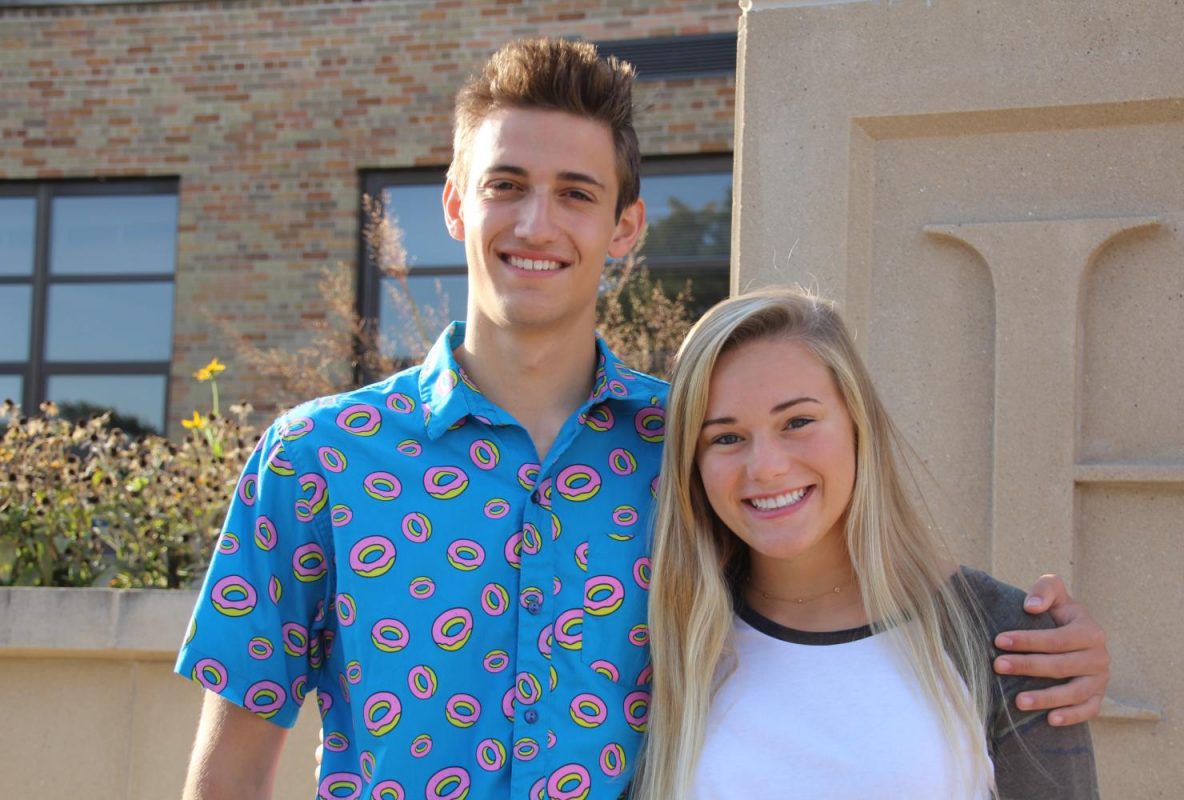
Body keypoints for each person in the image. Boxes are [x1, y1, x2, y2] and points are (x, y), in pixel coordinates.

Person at [177, 38, 1108, 800]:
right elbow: (231, 772)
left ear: (625, 229)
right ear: (457, 205)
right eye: (506, 184)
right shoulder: (316, 459)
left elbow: (844, 579)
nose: (537, 222)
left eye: (577, 193)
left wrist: (1023, 641)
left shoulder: (696, 449)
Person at [632, 288, 1099, 799]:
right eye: (725, 437)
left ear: (859, 424)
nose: (765, 466)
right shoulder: (659, 638)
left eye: (798, 422)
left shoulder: (1003, 636)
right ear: (692, 466)